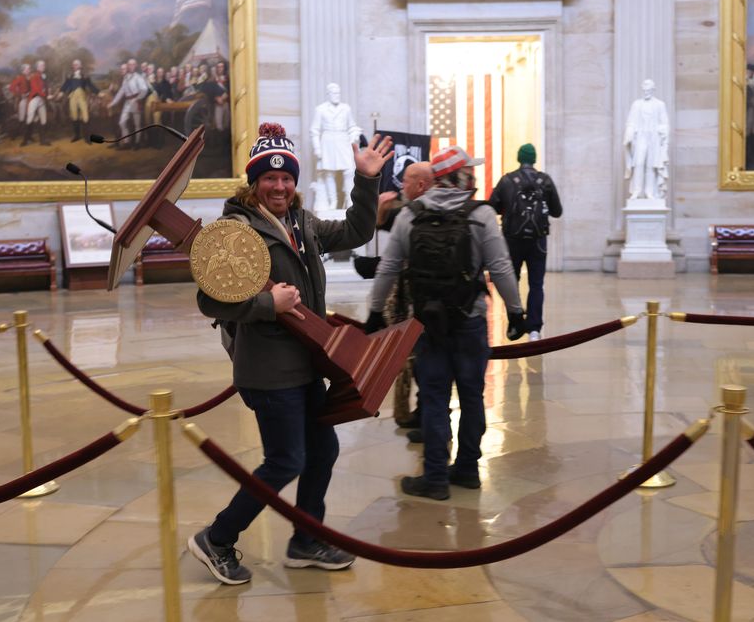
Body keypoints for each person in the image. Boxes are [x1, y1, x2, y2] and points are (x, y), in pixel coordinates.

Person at [190, 122, 394, 585]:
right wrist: (267, 304)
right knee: (286, 459)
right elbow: (208, 300)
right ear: (254, 182)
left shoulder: (303, 223)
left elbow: (358, 230)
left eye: (286, 178)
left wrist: (366, 180)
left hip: (306, 362)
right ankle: (217, 539)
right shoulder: (235, 229)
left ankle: (306, 540)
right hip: (267, 367)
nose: (279, 185)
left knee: (322, 448)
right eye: (269, 178)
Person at [364, 145, 525, 501]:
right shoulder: (481, 215)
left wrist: (375, 311)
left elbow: (389, 266)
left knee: (435, 397)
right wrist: (516, 312)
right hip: (469, 319)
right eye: (471, 170)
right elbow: (500, 267)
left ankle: (435, 476)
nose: (475, 174)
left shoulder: (411, 215)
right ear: (462, 176)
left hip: (427, 322)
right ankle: (467, 469)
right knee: (471, 396)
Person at [375, 161, 435, 430]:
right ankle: (414, 413)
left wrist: (375, 308)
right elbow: (381, 226)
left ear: (421, 184)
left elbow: (390, 263)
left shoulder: (417, 212)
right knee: (414, 358)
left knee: (419, 360)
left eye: (408, 180)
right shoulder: (406, 211)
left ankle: (423, 416)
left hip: (418, 302)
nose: (402, 184)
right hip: (413, 299)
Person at [489, 143, 563, 342]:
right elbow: (557, 211)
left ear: (519, 158)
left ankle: (516, 323)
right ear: (534, 159)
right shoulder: (545, 180)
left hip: (512, 240)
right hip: (538, 241)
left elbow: (492, 207)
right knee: (536, 284)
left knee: (511, 282)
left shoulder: (506, 180)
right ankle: (534, 330)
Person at [310, 83, 362, 210]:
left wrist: (354, 134)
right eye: (334, 93)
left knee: (349, 171)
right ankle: (333, 201)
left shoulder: (346, 108)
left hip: (343, 140)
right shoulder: (320, 109)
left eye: (338, 93)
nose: (336, 96)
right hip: (327, 142)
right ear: (328, 94)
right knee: (329, 173)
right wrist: (317, 148)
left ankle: (350, 200)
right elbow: (314, 130)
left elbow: (352, 126)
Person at [623, 79, 669, 199]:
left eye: (648, 90)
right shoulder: (636, 104)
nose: (646, 92)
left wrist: (663, 134)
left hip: (654, 137)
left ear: (653, 90)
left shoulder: (660, 104)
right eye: (644, 90)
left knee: (651, 165)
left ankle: (649, 192)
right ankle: (637, 191)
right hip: (640, 137)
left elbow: (664, 123)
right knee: (638, 163)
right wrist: (629, 134)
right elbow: (631, 121)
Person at [108, 58, 149, 149]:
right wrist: (113, 103)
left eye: (133, 64)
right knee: (122, 122)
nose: (131, 66)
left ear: (136, 66)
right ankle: (127, 142)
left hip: (136, 102)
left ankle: (137, 143)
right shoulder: (125, 78)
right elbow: (121, 92)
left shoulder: (138, 77)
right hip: (127, 103)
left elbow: (144, 90)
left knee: (137, 124)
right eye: (129, 64)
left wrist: (137, 98)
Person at [60, 59, 99, 143]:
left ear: (80, 66)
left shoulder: (85, 76)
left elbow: (90, 85)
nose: (75, 66)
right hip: (72, 97)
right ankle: (77, 136)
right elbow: (65, 85)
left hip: (82, 97)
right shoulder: (69, 76)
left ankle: (87, 137)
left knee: (85, 116)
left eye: (77, 65)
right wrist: (61, 92)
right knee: (74, 116)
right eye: (74, 65)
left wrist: (97, 92)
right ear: (72, 66)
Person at [22, 60, 50, 146]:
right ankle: (25, 141)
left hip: (42, 99)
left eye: (44, 65)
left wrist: (48, 93)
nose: (43, 67)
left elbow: (46, 87)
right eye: (41, 66)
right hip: (34, 98)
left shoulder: (44, 76)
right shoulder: (34, 76)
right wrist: (46, 95)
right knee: (30, 118)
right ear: (37, 67)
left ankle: (43, 141)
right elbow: (36, 89)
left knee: (44, 119)